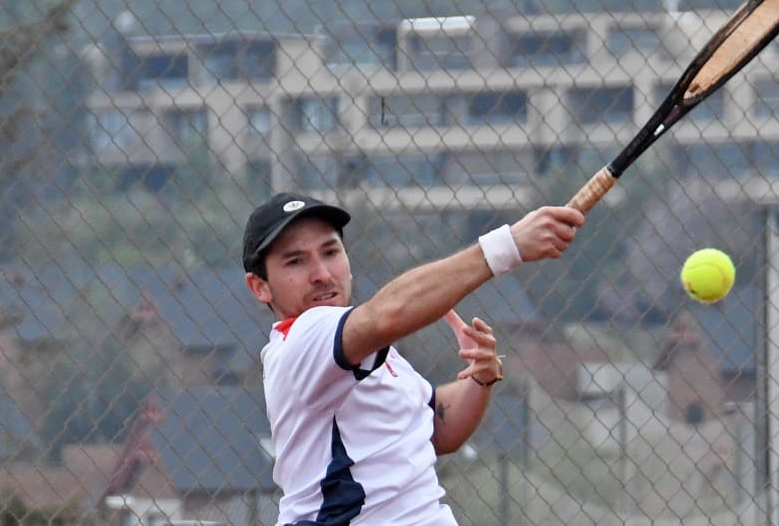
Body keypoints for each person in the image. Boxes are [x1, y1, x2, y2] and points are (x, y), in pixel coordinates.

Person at [242, 192, 582, 525]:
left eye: (330, 252)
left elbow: (438, 430)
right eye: (295, 261)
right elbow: (385, 316)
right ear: (260, 287)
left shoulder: (366, 353)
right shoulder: (303, 339)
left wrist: (479, 379)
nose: (321, 273)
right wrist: (507, 246)